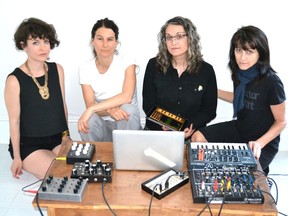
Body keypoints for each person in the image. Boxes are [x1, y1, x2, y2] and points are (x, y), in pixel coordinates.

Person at [192, 25, 286, 175]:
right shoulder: (240, 73)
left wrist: (259, 143)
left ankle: (260, 169)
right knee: (197, 138)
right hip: (240, 128)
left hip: (262, 141)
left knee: (237, 175)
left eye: (249, 51)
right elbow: (241, 98)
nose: (242, 57)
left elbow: (281, 122)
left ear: (260, 53)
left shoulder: (272, 82)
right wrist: (213, 91)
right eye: (238, 50)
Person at [4, 17, 70, 180]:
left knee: (80, 170)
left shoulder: (57, 69)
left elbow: (62, 105)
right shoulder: (14, 80)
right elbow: (14, 121)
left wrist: (66, 135)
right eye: (35, 42)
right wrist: (17, 157)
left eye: (46, 41)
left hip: (56, 138)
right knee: (60, 176)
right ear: (23, 46)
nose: (43, 47)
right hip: (29, 144)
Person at [142, 16, 218, 139]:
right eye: (169, 37)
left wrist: (187, 126)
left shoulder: (206, 70)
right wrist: (168, 124)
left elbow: (208, 111)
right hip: (156, 132)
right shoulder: (154, 66)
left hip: (191, 135)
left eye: (179, 36)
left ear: (190, 38)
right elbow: (148, 104)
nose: (173, 42)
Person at [78, 18, 141, 142]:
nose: (105, 45)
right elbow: (90, 104)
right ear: (93, 42)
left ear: (116, 43)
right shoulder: (85, 68)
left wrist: (93, 108)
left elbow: (126, 97)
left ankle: (127, 156)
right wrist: (109, 110)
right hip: (103, 126)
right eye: (100, 39)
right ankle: (95, 158)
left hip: (127, 124)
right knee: (88, 119)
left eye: (110, 39)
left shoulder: (127, 61)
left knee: (126, 109)